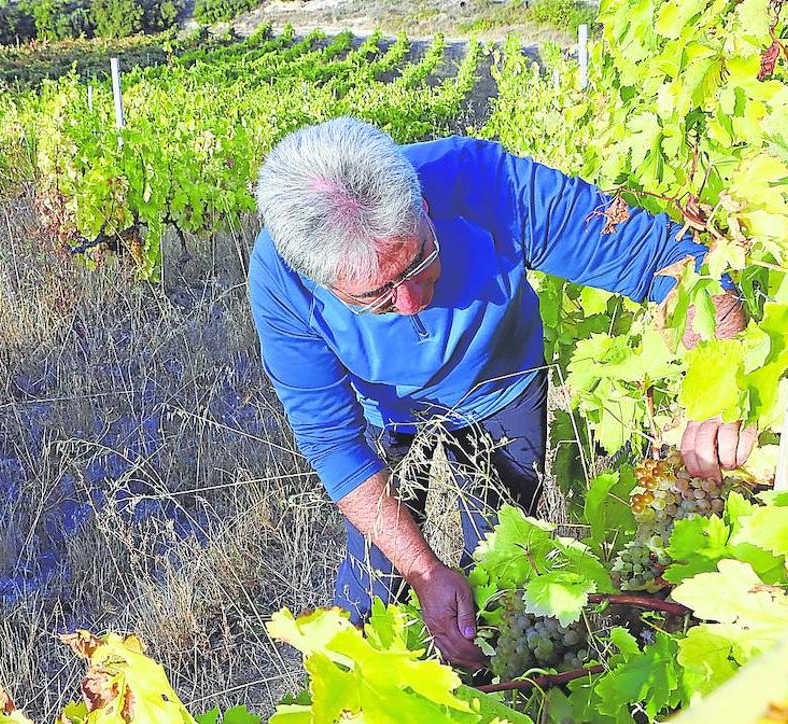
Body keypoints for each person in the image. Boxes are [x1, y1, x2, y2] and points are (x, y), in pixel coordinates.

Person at [247, 118, 754, 668]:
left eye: (418, 260)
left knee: (502, 571)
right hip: (389, 417)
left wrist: (721, 397)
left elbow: (674, 264)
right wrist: (423, 570)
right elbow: (331, 444)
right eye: (375, 297)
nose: (413, 301)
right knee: (372, 582)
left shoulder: (485, 182)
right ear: (319, 281)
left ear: (420, 200)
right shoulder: (281, 279)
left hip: (504, 392)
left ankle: (496, 695)